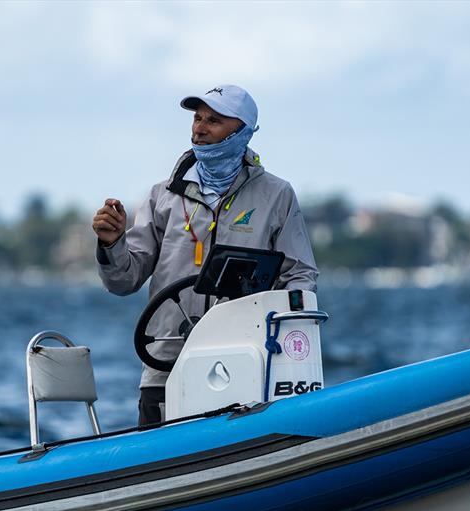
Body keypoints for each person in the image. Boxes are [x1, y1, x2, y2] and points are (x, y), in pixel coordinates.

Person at [92, 84, 318, 425]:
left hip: (246, 361)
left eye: (214, 120)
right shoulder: (162, 196)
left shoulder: (277, 194)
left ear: (242, 132)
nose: (199, 127)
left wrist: (289, 345)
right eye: (197, 118)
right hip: (165, 365)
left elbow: (299, 275)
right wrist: (112, 244)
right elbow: (124, 280)